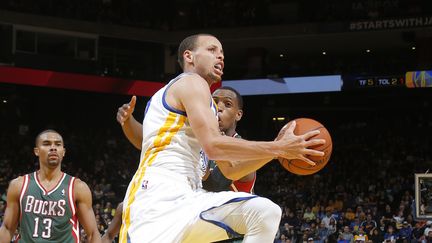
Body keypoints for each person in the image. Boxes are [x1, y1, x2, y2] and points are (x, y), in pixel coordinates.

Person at [118, 33, 325, 243]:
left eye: (222, 53)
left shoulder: (197, 100)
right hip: (157, 198)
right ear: (189, 56)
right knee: (263, 213)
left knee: (265, 212)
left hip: (190, 196)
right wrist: (278, 147)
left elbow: (230, 169)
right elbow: (213, 146)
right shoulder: (191, 82)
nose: (220, 57)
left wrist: (277, 151)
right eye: (212, 50)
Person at [116, 86, 256, 193]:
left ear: (238, 115)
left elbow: (215, 185)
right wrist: (128, 121)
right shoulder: (197, 140)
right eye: (214, 102)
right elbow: (151, 142)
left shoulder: (242, 148)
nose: (219, 107)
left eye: (227, 104)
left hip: (232, 225)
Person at [0, 129, 101, 243]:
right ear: (36, 151)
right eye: (47, 144)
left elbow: (93, 233)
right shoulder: (18, 185)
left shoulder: (78, 187)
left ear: (63, 152)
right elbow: (7, 228)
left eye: (58, 144)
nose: (53, 148)